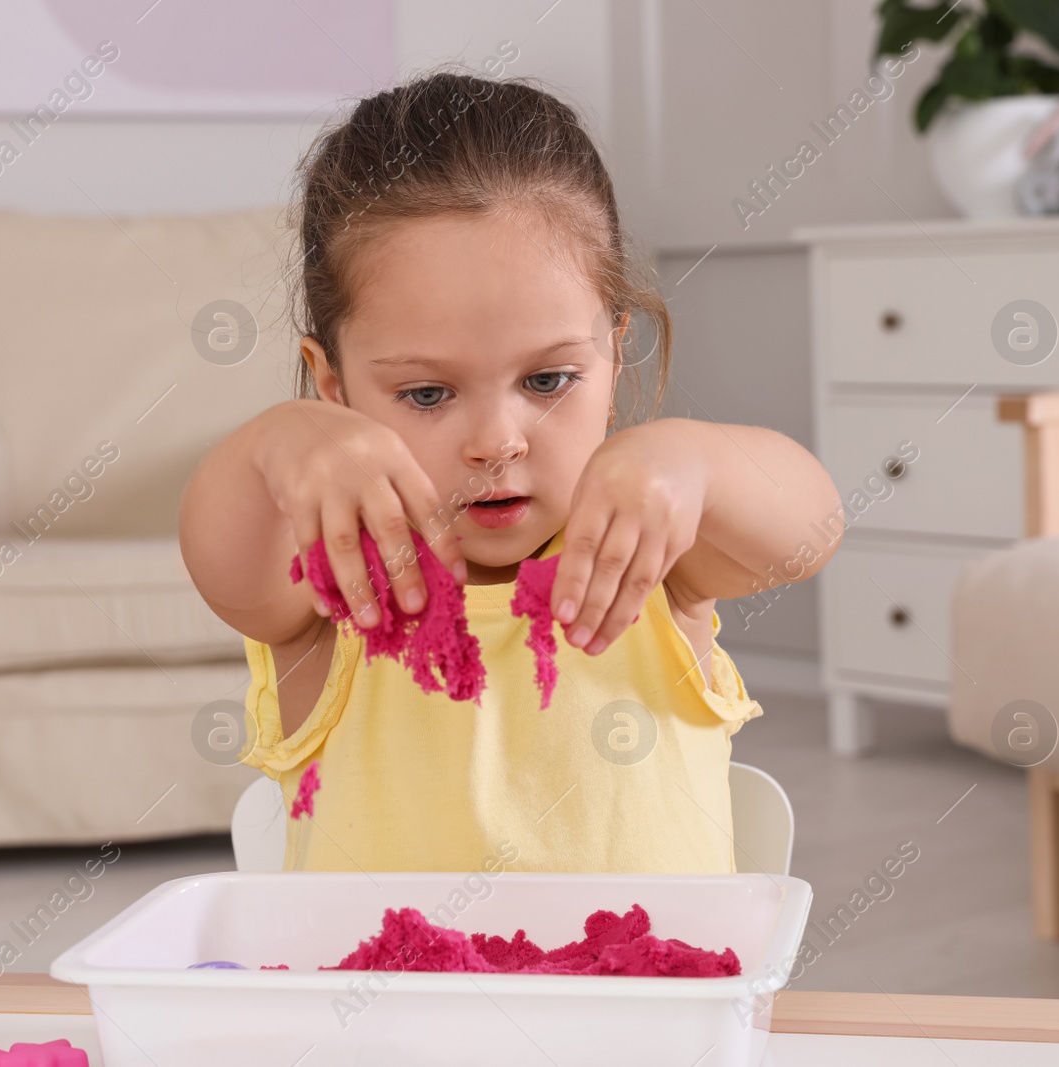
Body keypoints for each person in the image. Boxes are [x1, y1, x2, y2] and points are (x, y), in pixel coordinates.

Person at [179, 71, 840, 873]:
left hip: (646, 1001)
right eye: (427, 393)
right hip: (379, 1002)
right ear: (334, 385)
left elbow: (811, 528)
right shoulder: (333, 590)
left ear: (615, 348)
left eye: (547, 381)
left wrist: (694, 461)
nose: (497, 441)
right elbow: (220, 555)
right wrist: (275, 445)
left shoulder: (652, 560)